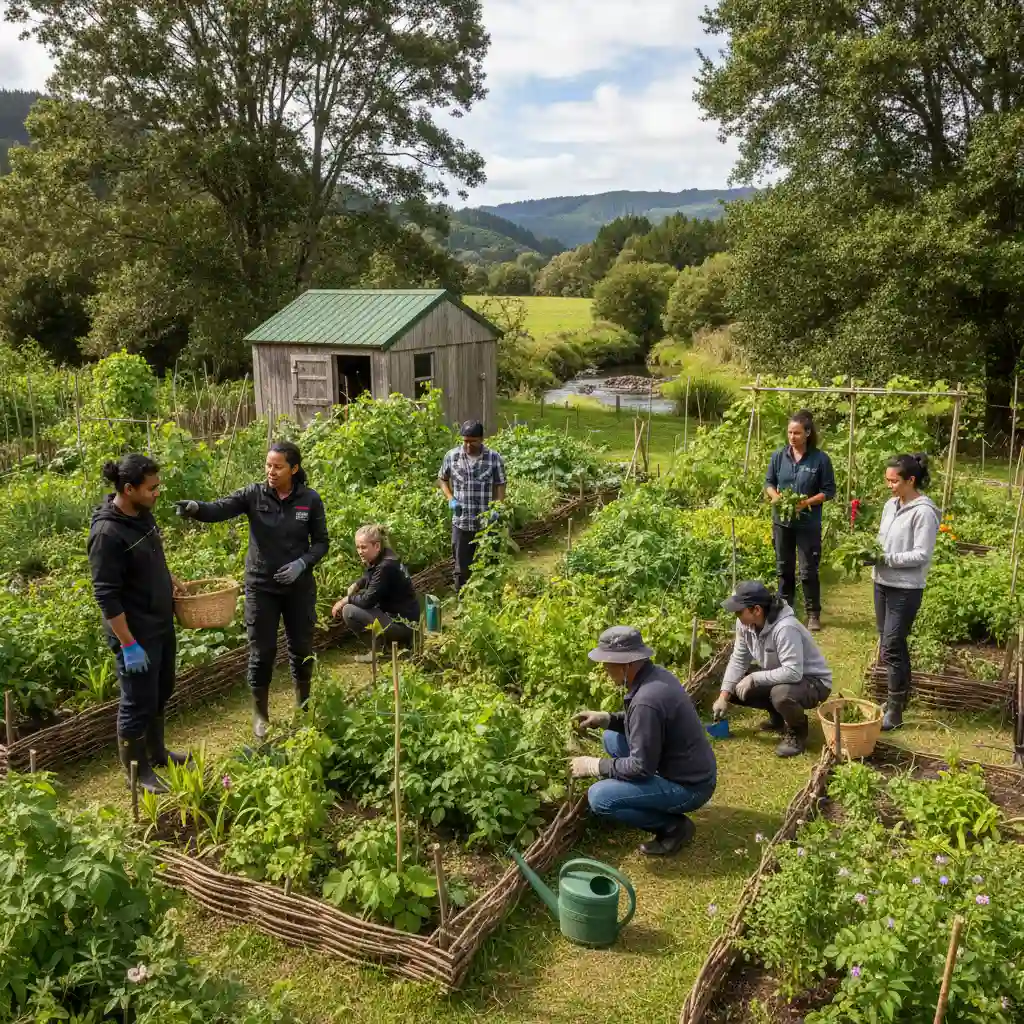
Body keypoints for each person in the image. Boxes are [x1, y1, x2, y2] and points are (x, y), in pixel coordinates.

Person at [174, 441, 329, 739]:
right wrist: (196, 509)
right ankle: (261, 715)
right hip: (261, 588)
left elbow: (321, 543)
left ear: (294, 469)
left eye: (278, 466)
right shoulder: (253, 495)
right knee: (262, 652)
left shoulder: (309, 500)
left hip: (298, 589)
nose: (271, 471)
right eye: (268, 465)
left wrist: (301, 564)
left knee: (301, 648)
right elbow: (220, 508)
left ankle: (304, 705)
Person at [87, 454, 189, 793]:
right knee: (137, 700)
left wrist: (169, 579)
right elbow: (106, 596)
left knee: (162, 688)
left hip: (159, 621)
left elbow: (150, 559)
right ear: (128, 489)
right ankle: (138, 770)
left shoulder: (142, 516)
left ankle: (157, 752)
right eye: (152, 488)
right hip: (135, 632)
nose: (157, 493)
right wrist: (128, 643)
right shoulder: (107, 533)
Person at [570, 626, 717, 857]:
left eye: (608, 665)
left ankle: (673, 827)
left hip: (690, 787)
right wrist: (607, 719)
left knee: (600, 797)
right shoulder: (655, 676)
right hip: (688, 768)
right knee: (611, 736)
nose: (606, 671)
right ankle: (644, 796)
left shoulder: (646, 700)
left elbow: (641, 766)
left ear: (625, 664)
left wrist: (594, 765)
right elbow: (641, 725)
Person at [713, 580, 833, 757]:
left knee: (781, 694)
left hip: (813, 682)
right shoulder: (745, 624)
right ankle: (778, 717)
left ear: (757, 610)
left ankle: (796, 733)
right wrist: (724, 695)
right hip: (784, 675)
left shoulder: (785, 628)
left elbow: (793, 672)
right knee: (734, 685)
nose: (736, 616)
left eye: (739, 611)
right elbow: (739, 659)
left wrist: (754, 678)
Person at [870, 453, 940, 732]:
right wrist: (871, 553)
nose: (890, 486)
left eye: (894, 481)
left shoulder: (924, 512)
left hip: (905, 588)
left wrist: (886, 558)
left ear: (911, 480)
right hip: (882, 583)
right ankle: (894, 700)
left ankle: (896, 710)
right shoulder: (890, 505)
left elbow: (921, 554)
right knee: (888, 644)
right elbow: (882, 539)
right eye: (887, 480)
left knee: (893, 645)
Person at [765, 410, 836, 631]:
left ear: (807, 433)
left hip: (808, 523)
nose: (792, 437)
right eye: (789, 432)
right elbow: (769, 483)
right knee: (783, 568)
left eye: (797, 433)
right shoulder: (779, 456)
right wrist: (776, 497)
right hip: (782, 522)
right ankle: (785, 611)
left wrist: (806, 503)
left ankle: (813, 613)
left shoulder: (820, 459)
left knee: (808, 570)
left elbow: (829, 491)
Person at [331, 524, 420, 662]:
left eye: (364, 547)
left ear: (377, 546)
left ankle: (379, 652)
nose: (360, 551)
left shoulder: (385, 567)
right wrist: (358, 584)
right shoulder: (387, 556)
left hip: (402, 626)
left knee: (349, 610)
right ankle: (392, 646)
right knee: (356, 605)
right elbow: (371, 574)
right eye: (358, 547)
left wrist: (345, 600)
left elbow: (367, 600)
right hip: (408, 622)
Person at [437, 420, 506, 593]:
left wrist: (497, 507)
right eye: (465, 441)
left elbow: (500, 483)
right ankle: (463, 601)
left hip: (486, 522)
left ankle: (489, 599)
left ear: (481, 439)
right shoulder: (452, 456)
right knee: (461, 567)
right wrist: (450, 498)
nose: (468, 445)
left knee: (489, 562)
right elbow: (443, 478)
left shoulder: (493, 458)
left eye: (472, 441)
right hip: (462, 522)